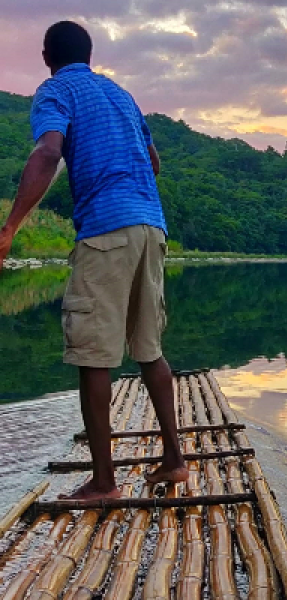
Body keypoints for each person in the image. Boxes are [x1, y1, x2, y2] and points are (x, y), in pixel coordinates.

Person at [0, 21, 187, 500]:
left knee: (92, 355)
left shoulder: (55, 89)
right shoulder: (121, 95)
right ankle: (173, 461)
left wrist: (10, 227)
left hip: (106, 229)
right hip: (150, 226)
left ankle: (104, 482)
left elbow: (47, 152)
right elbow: (154, 161)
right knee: (149, 349)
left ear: (46, 55)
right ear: (90, 52)